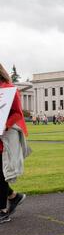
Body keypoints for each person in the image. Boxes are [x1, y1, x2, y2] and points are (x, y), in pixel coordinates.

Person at [0, 64, 28, 224]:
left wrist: (5, 125)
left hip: (4, 138)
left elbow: (17, 113)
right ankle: (13, 196)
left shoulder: (9, 89)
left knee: (0, 175)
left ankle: (3, 211)